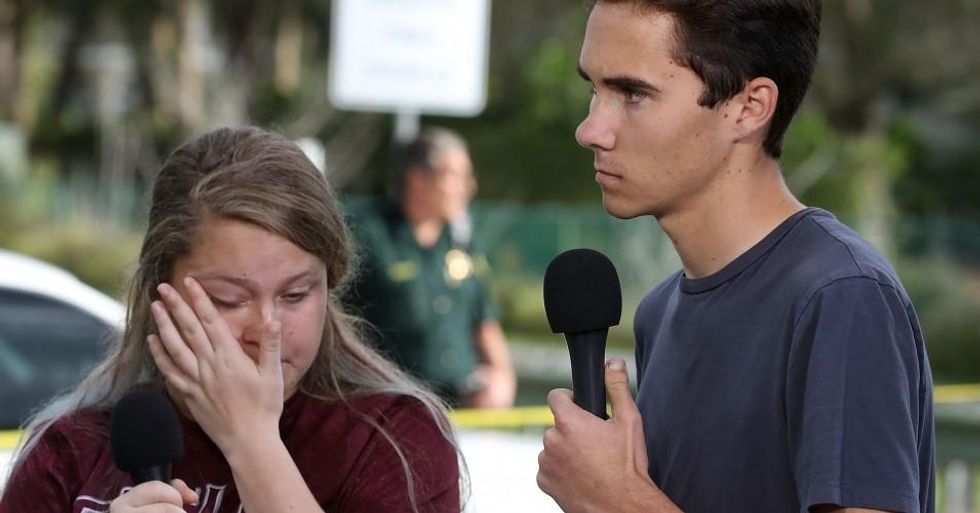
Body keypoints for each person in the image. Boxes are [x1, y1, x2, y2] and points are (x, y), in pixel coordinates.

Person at [536, 2, 935, 513]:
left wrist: (619, 501)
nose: (590, 130)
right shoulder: (660, 312)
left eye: (632, 93)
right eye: (594, 89)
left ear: (750, 107)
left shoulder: (841, 296)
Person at [0, 127, 461, 513]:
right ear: (159, 291)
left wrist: (251, 442)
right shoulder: (73, 449)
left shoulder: (394, 440)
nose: (267, 330)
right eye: (227, 300)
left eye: (296, 294)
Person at [346, 127, 516, 409]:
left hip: (461, 407)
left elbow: (484, 318)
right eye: (456, 176)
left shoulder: (460, 242)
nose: (469, 186)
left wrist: (501, 378)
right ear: (417, 178)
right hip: (387, 405)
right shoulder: (367, 234)